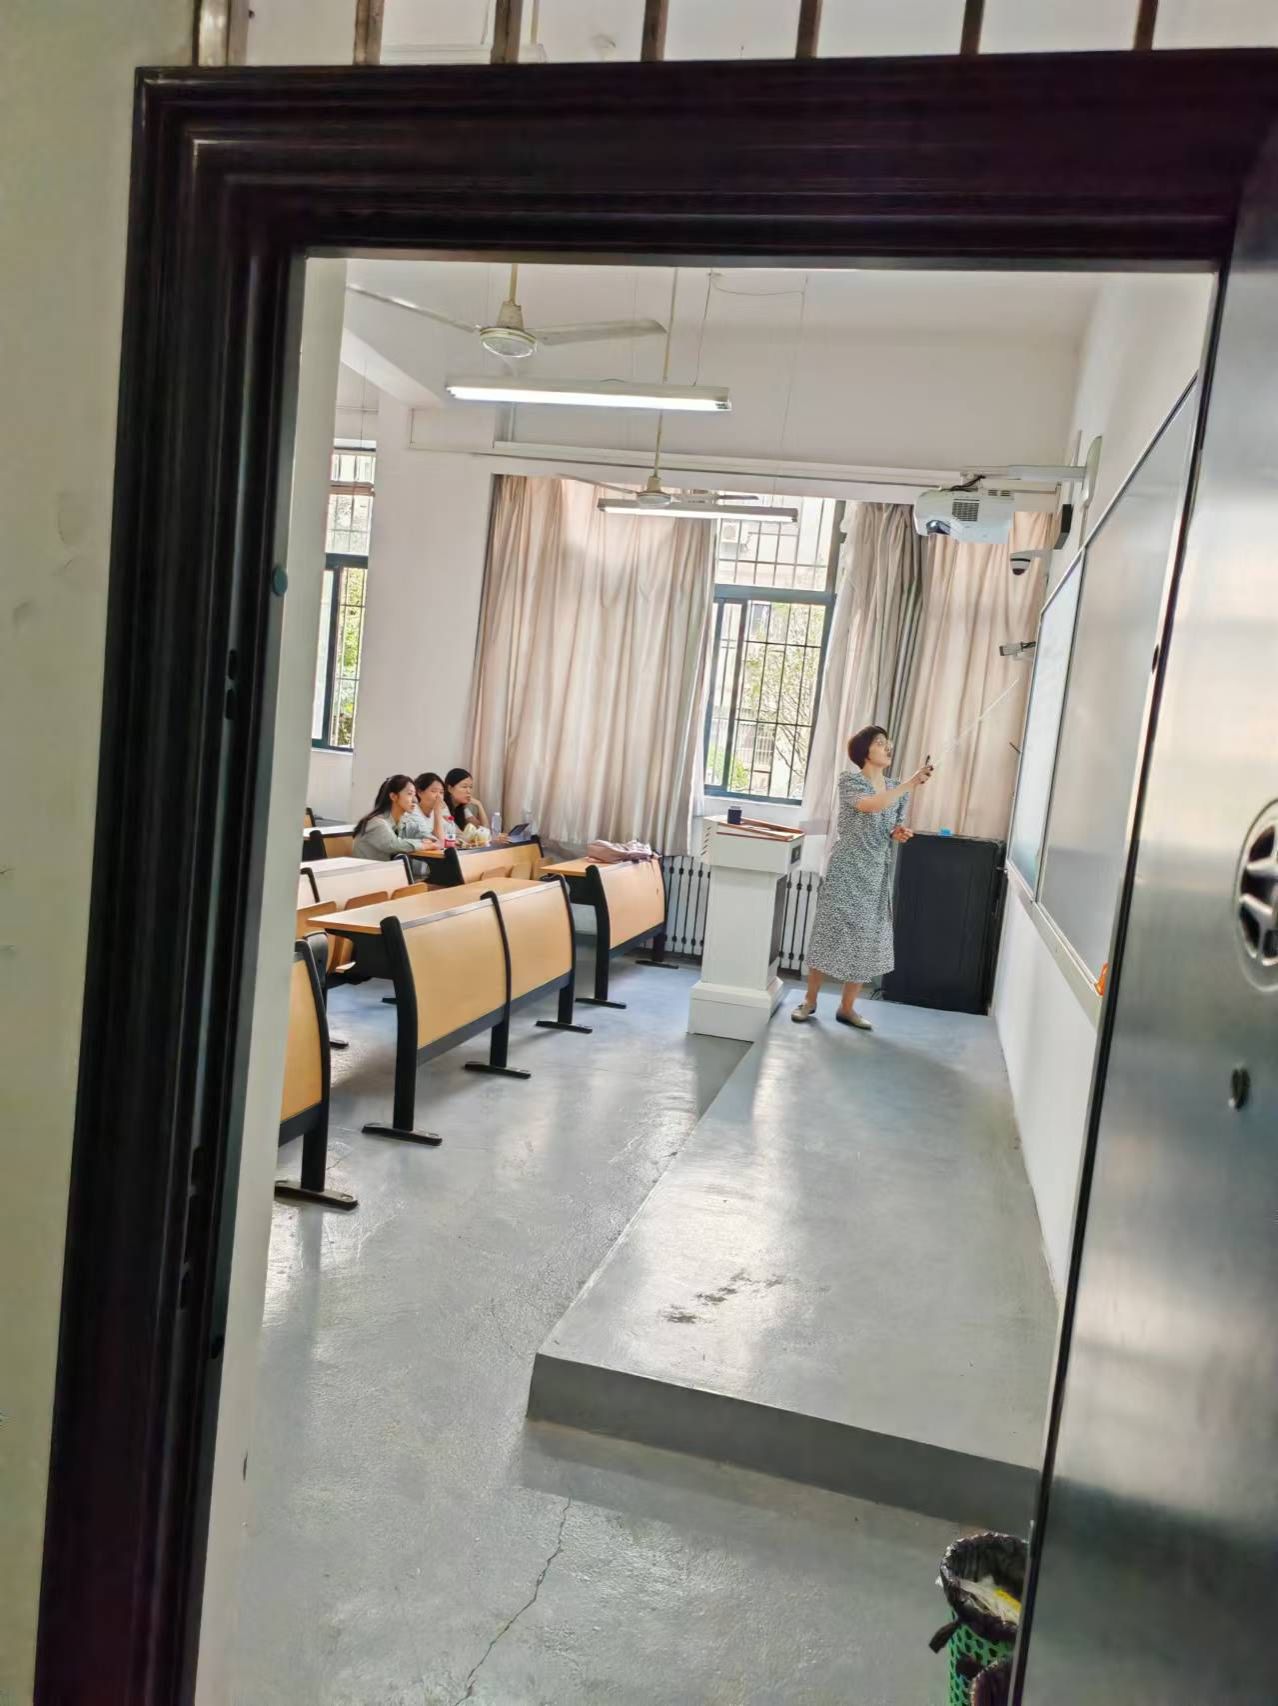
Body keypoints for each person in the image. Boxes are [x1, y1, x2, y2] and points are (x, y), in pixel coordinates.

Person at [791, 725, 932, 1031]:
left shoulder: (895, 787)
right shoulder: (850, 781)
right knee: (829, 932)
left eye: (888, 742)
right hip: (846, 868)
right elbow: (870, 806)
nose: (887, 746)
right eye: (880, 743)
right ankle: (809, 1001)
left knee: (865, 939)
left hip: (876, 872)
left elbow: (891, 825)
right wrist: (910, 783)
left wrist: (899, 832)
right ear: (864, 751)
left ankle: (847, 1008)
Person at [352, 774, 435, 861]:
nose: (415, 800)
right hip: (370, 869)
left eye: (415, 795)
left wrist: (428, 840)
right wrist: (423, 844)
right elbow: (394, 845)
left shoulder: (403, 821)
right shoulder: (376, 823)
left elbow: (428, 837)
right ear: (393, 797)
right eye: (410, 794)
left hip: (387, 868)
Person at [443, 767, 507, 843]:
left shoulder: (462, 808)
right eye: (464, 787)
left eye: (470, 787)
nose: (468, 791)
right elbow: (461, 837)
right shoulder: (442, 807)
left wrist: (479, 805)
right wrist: (490, 840)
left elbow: (483, 831)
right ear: (450, 788)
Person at [398, 771, 449, 846]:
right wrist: (437, 811)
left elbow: (449, 835)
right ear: (420, 792)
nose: (439, 797)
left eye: (441, 792)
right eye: (434, 791)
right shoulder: (412, 812)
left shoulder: (436, 813)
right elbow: (439, 842)